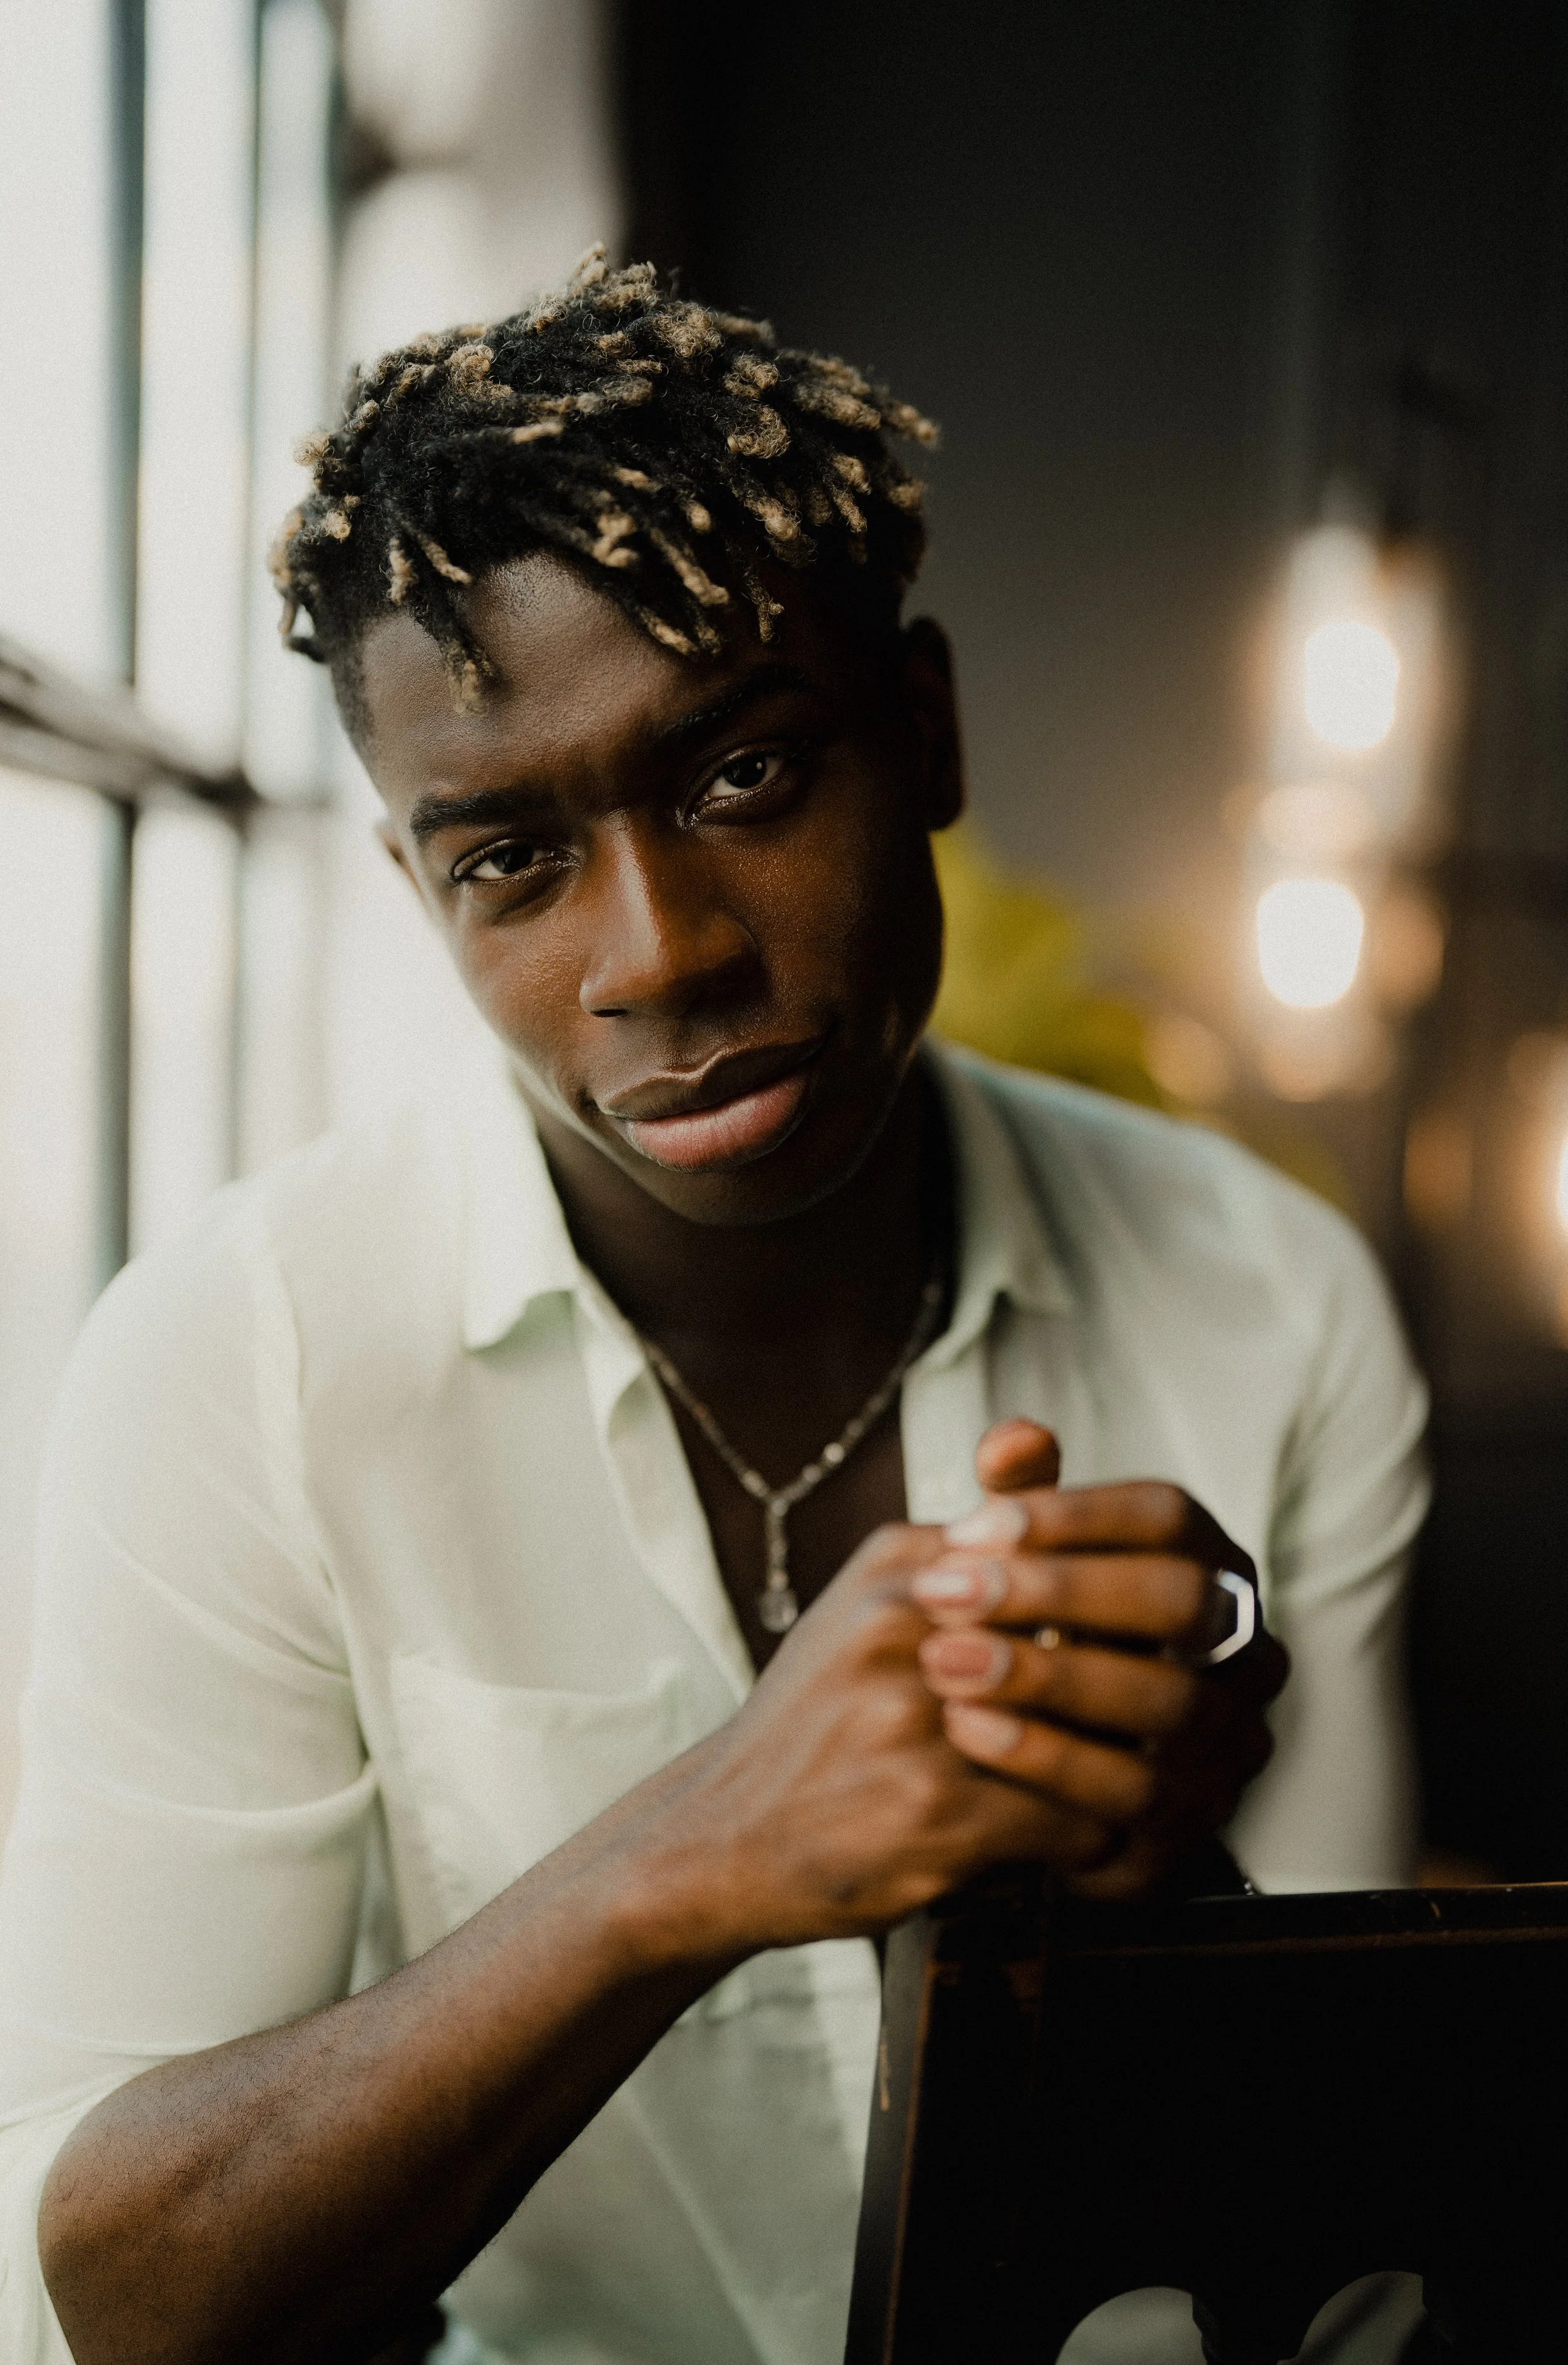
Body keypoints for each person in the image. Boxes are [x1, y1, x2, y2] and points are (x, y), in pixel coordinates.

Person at [0, 251, 1427, 2365]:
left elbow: (1368, 2241)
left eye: (744, 776)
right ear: (416, 887)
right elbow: (111, 2297)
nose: (657, 953)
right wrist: (682, 1857)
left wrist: (1167, 1879)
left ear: (923, 729)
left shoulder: (1264, 1296)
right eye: (508, 858)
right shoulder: (237, 1364)